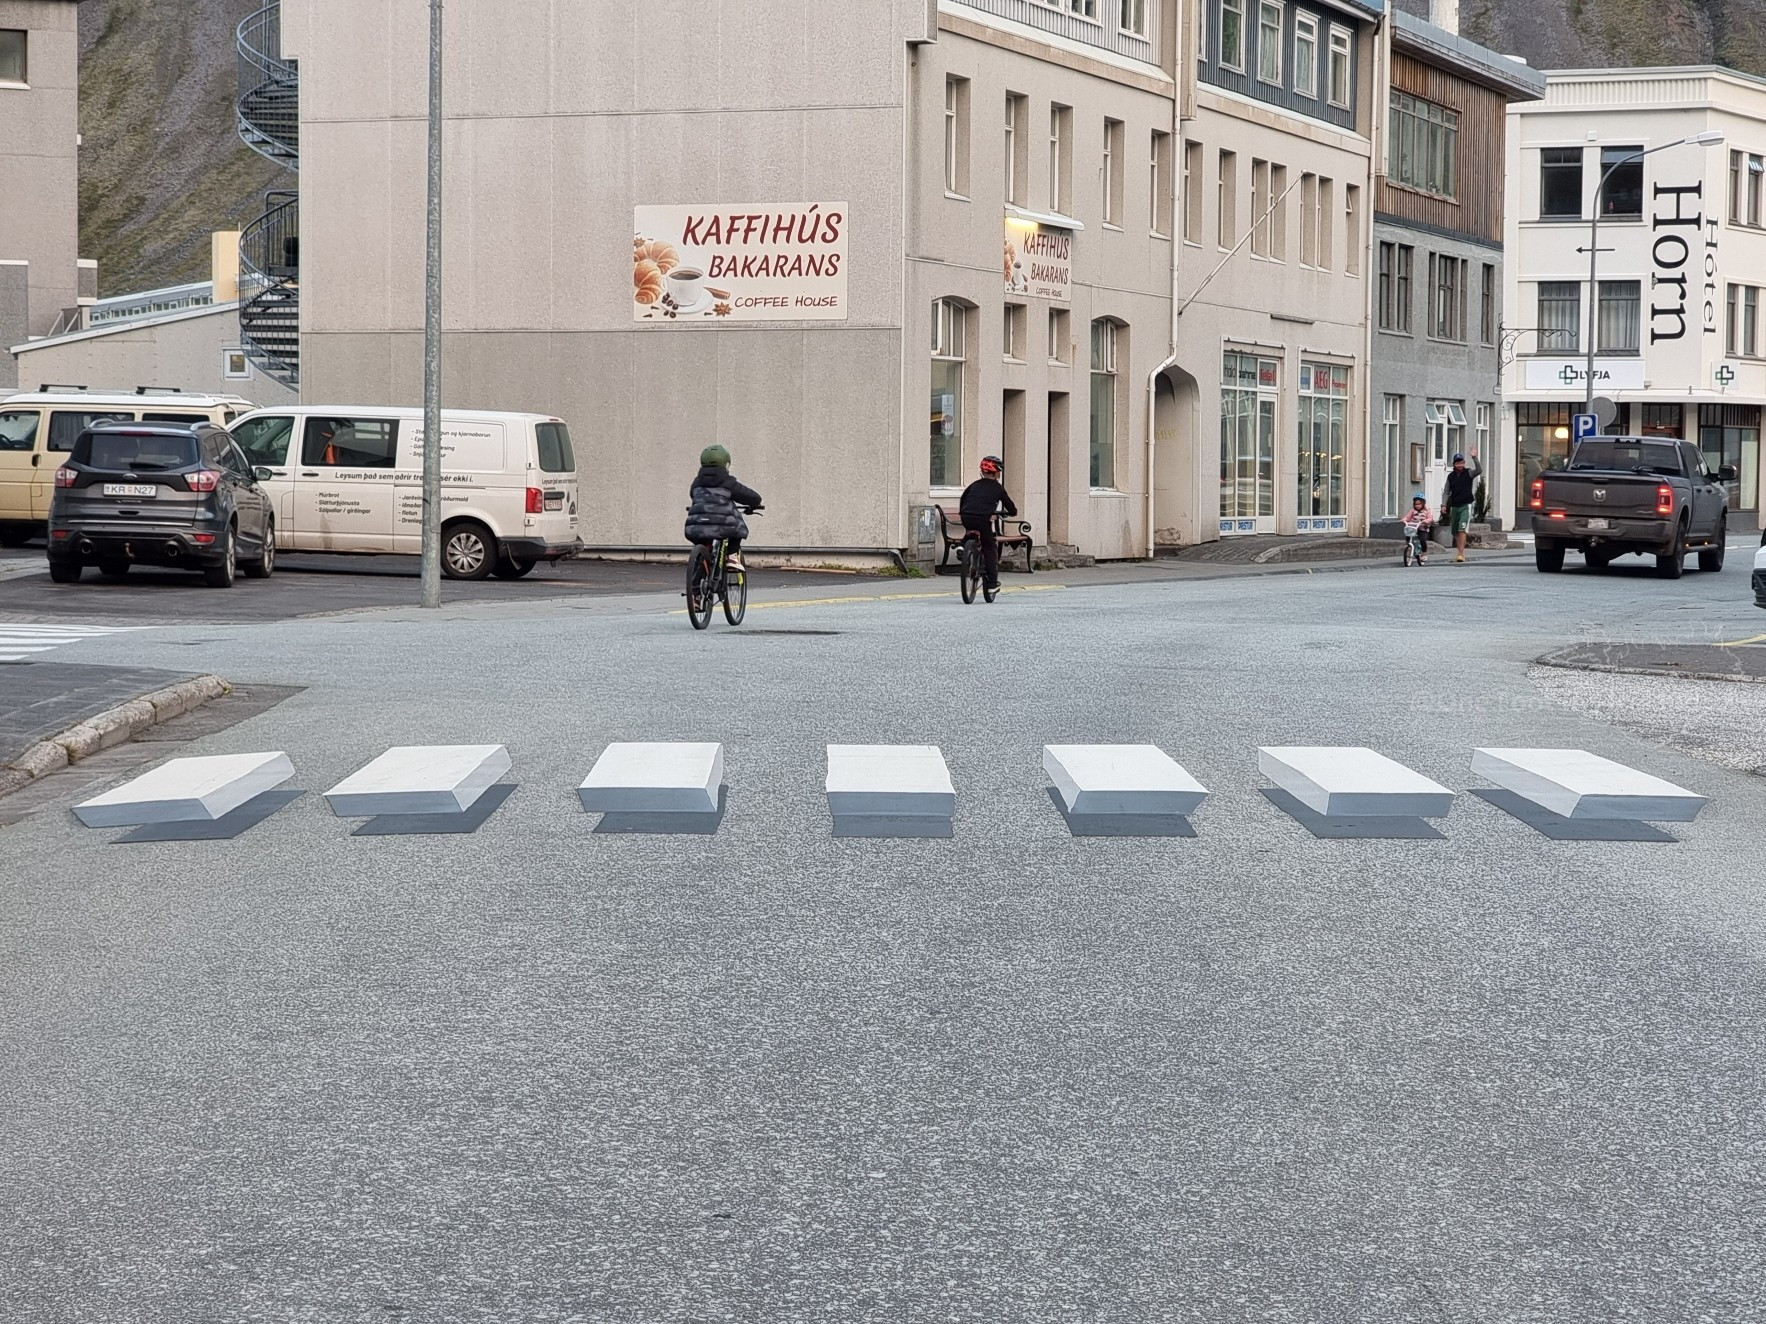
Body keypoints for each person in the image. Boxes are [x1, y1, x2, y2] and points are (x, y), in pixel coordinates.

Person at [684, 444, 763, 571]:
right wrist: (755, 503)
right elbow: (749, 496)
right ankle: (732, 557)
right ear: (726, 464)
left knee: (702, 537)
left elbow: (693, 496)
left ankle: (702, 560)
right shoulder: (728, 482)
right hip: (723, 525)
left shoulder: (696, 483)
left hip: (696, 525)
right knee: (737, 529)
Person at [958, 455, 1018, 591]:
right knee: (990, 548)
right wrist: (1011, 512)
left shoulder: (974, 485)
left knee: (971, 529)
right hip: (982, 519)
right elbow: (1011, 507)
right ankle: (991, 584)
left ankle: (963, 546)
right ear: (997, 472)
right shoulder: (998, 488)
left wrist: (964, 512)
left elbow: (963, 500)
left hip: (966, 516)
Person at [1440, 451, 1483, 563]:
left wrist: (1474, 457)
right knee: (1455, 531)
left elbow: (1479, 470)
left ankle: (1461, 553)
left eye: (1462, 462)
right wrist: (1444, 505)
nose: (1460, 465)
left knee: (1461, 529)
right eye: (1457, 463)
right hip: (1455, 506)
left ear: (1464, 463)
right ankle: (1459, 550)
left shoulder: (1468, 473)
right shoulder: (1451, 476)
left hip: (1466, 505)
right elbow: (1446, 492)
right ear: (1454, 465)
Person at [1400, 493, 1434, 567]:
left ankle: (1423, 554)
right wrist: (1404, 520)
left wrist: (1426, 521)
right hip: (1413, 527)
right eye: (1416, 504)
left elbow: (1430, 518)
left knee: (1422, 540)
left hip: (1422, 528)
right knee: (1408, 535)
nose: (1417, 506)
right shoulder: (1412, 511)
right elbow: (1407, 517)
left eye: (1419, 504)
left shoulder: (1426, 511)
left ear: (1423, 503)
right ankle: (1408, 546)